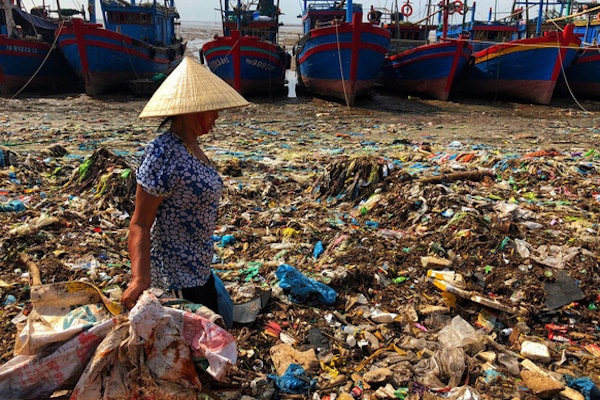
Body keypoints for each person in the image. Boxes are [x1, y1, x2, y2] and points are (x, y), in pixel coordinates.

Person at [120, 56, 249, 313]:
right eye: (212, 109)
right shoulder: (163, 152)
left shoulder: (193, 147)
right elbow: (140, 223)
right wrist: (139, 279)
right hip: (174, 278)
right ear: (194, 109)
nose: (217, 116)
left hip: (199, 268)